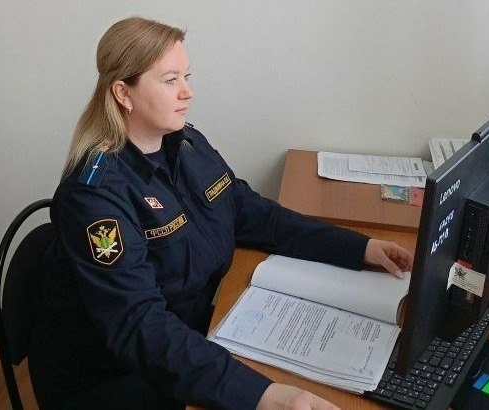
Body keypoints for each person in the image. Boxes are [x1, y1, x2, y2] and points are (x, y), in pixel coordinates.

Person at [29, 16, 413, 410]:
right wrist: (261, 395)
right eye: (170, 80)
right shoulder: (94, 197)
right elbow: (139, 325)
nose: (188, 92)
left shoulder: (186, 144)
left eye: (186, 76)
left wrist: (360, 248)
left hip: (184, 335)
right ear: (123, 93)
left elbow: (254, 215)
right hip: (112, 375)